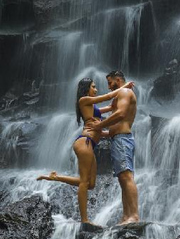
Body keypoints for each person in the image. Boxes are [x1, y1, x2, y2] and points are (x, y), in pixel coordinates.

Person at [37, 77, 133, 224]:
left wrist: (116, 105)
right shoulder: (83, 100)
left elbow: (108, 108)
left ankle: (55, 177)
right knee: (83, 182)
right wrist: (125, 87)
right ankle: (84, 220)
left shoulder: (92, 107)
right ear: (86, 88)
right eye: (93, 87)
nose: (96, 89)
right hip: (84, 143)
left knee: (91, 184)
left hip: (90, 145)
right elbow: (107, 97)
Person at [86, 70, 139, 225]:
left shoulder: (124, 92)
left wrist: (99, 125)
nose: (109, 86)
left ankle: (134, 215)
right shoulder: (120, 95)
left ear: (118, 80)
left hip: (123, 140)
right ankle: (126, 216)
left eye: (110, 83)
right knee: (123, 179)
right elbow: (115, 125)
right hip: (118, 139)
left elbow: (121, 114)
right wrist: (100, 132)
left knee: (127, 177)